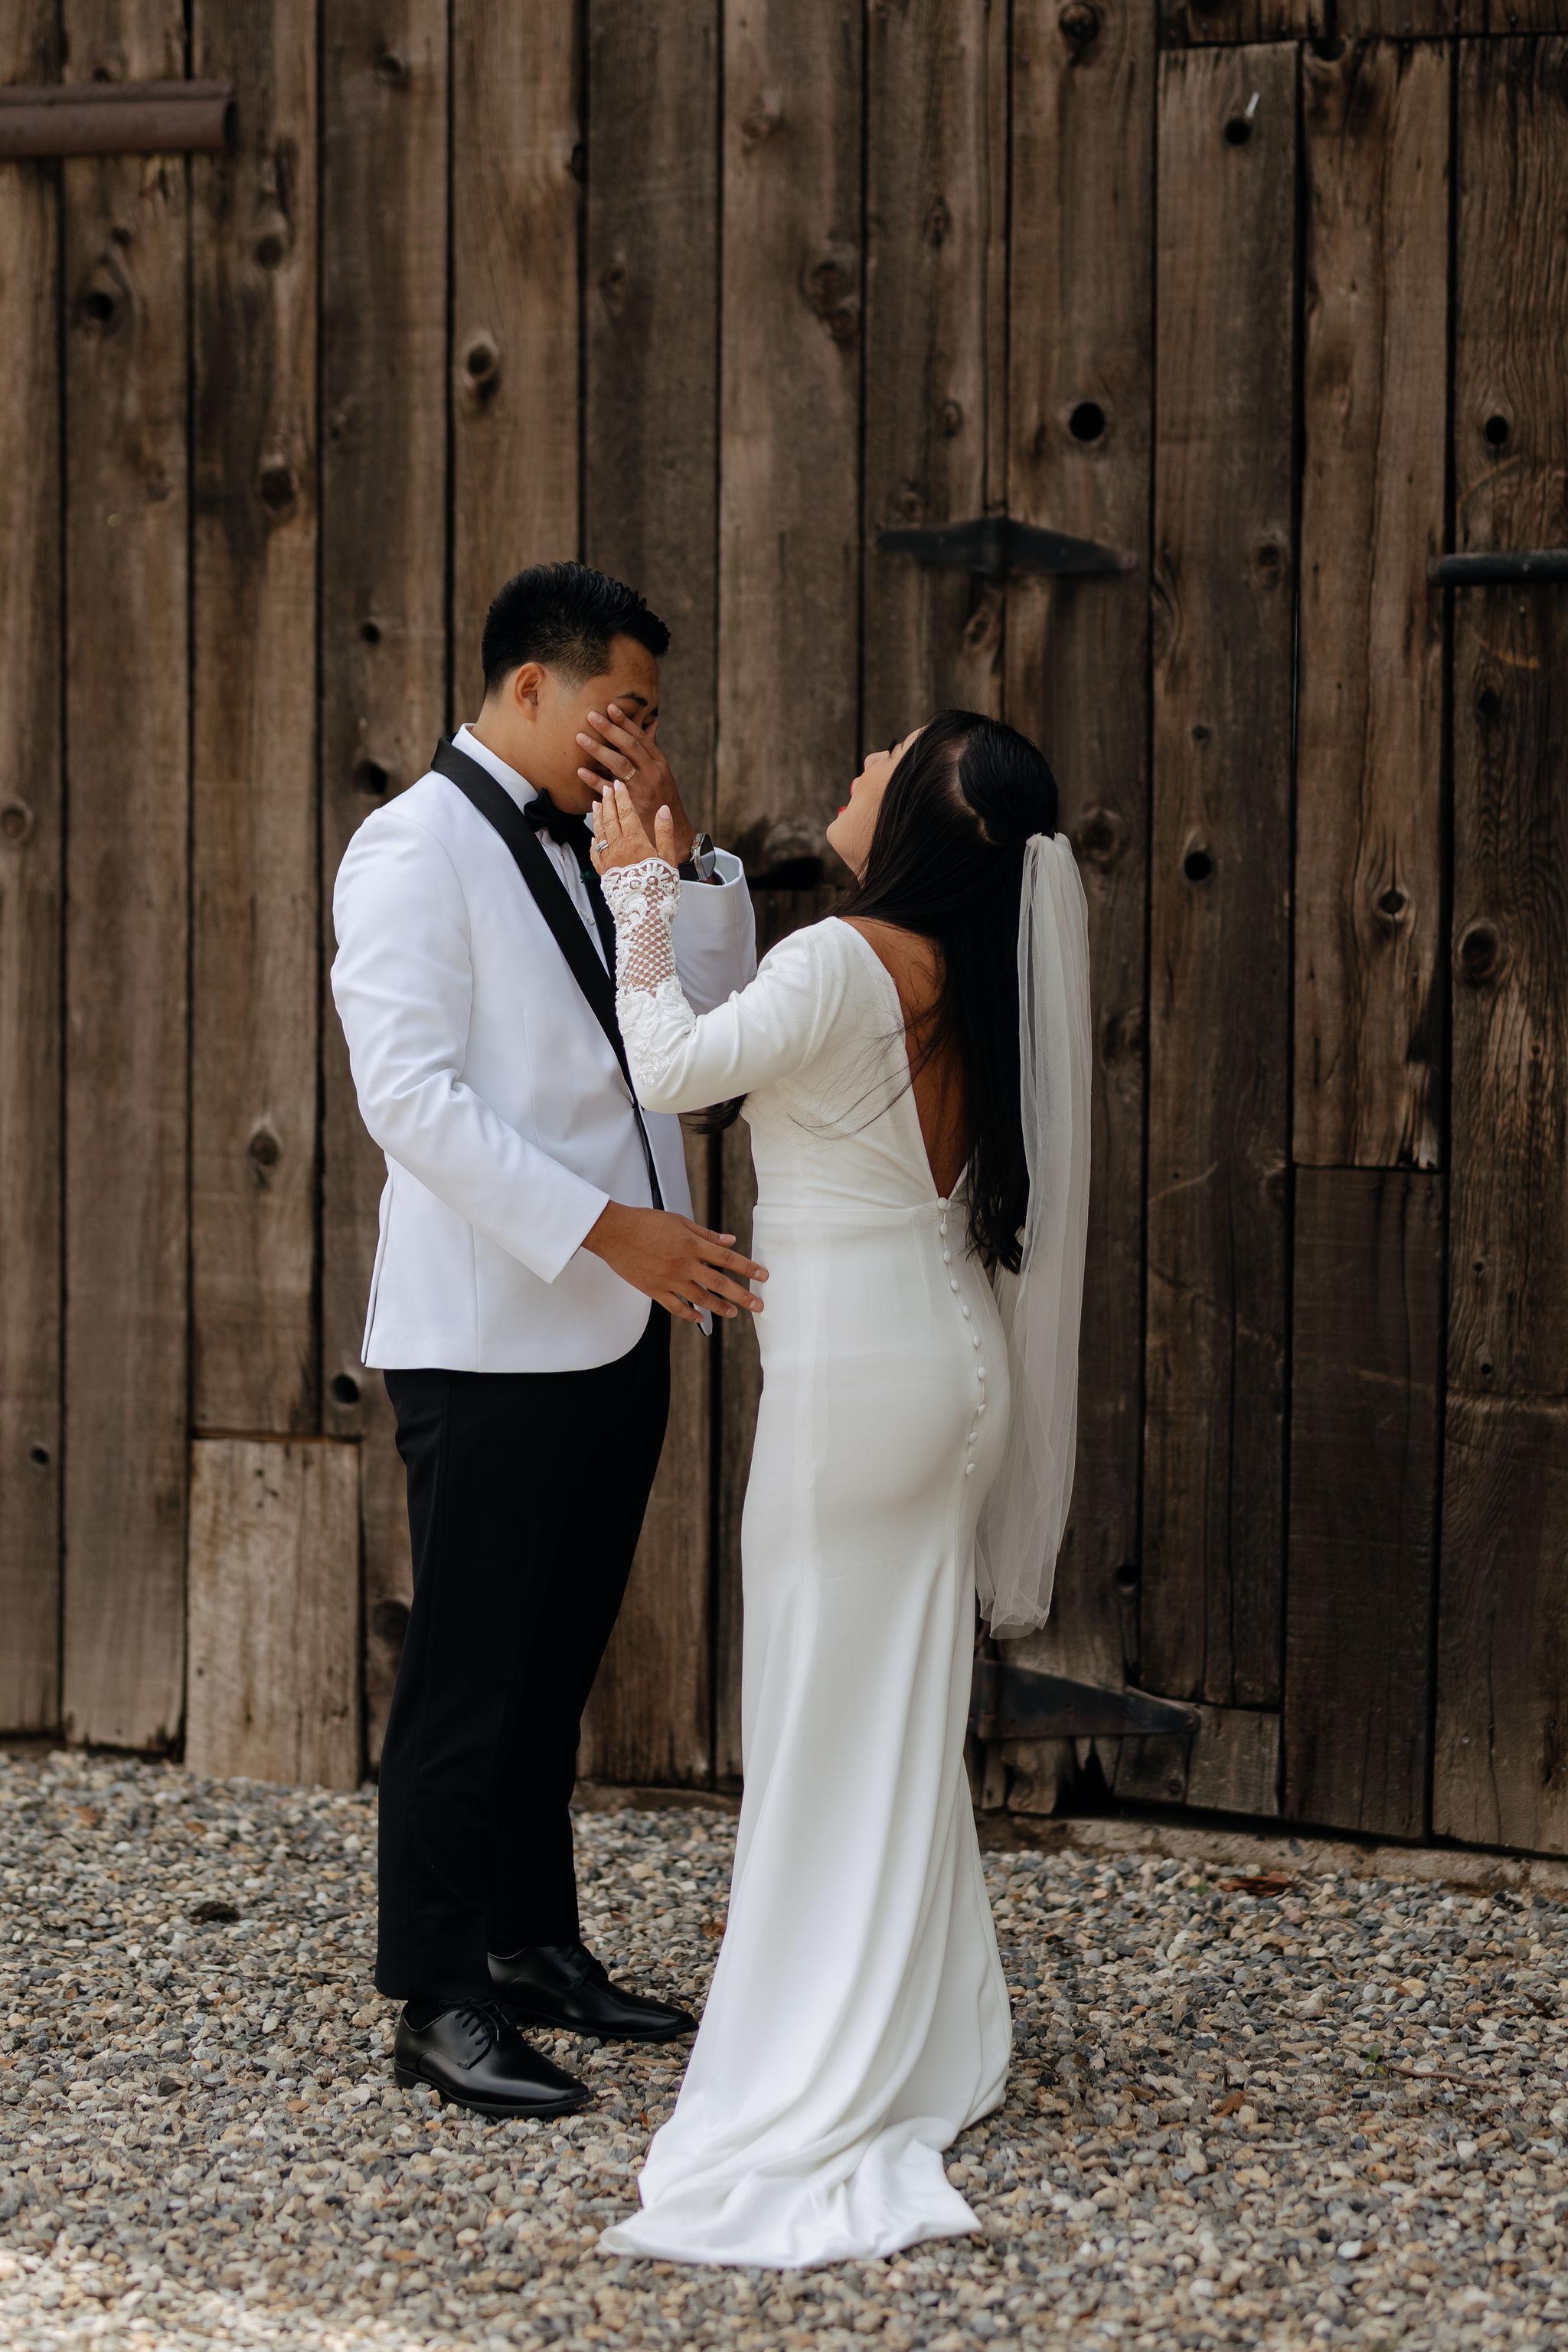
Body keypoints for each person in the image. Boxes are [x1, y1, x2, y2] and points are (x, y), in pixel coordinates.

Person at [587, 709, 1092, 2266]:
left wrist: (636, 888)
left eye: (887, 760)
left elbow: (670, 1067)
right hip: (953, 1377)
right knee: (901, 1710)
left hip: (858, 1392)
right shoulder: (971, 974)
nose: (860, 766)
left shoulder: (843, 958)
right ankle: (926, 2028)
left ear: (926, 816)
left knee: (819, 1709)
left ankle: (816, 2049)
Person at [329, 562, 760, 2118]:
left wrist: (677, 844)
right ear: (531, 687)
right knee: (468, 1676)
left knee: (556, 1664)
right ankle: (437, 1997)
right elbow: (410, 1099)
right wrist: (607, 1230)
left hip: (617, 1331)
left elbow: (709, 1027)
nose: (634, 734)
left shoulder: (602, 835)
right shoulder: (410, 848)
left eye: (649, 715)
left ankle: (531, 1946)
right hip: (491, 1331)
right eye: (619, 707)